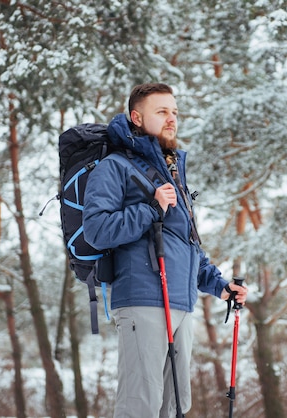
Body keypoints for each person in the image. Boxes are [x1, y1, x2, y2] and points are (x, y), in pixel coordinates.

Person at [82, 82, 248, 418]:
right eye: (162, 111)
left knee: (174, 407)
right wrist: (151, 209)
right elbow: (96, 231)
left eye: (174, 112)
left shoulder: (171, 172)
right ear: (137, 117)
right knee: (139, 405)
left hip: (181, 303)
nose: (172, 118)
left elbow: (184, 243)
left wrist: (219, 285)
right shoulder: (114, 167)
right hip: (142, 298)